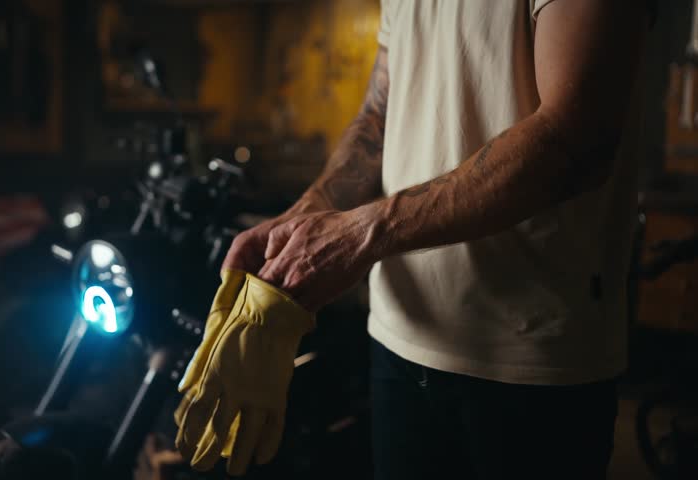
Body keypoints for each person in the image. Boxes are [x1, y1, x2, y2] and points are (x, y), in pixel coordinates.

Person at [221, 0, 653, 478]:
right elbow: (377, 115)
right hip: (400, 334)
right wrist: (308, 215)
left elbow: (575, 139)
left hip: (531, 356)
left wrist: (363, 233)